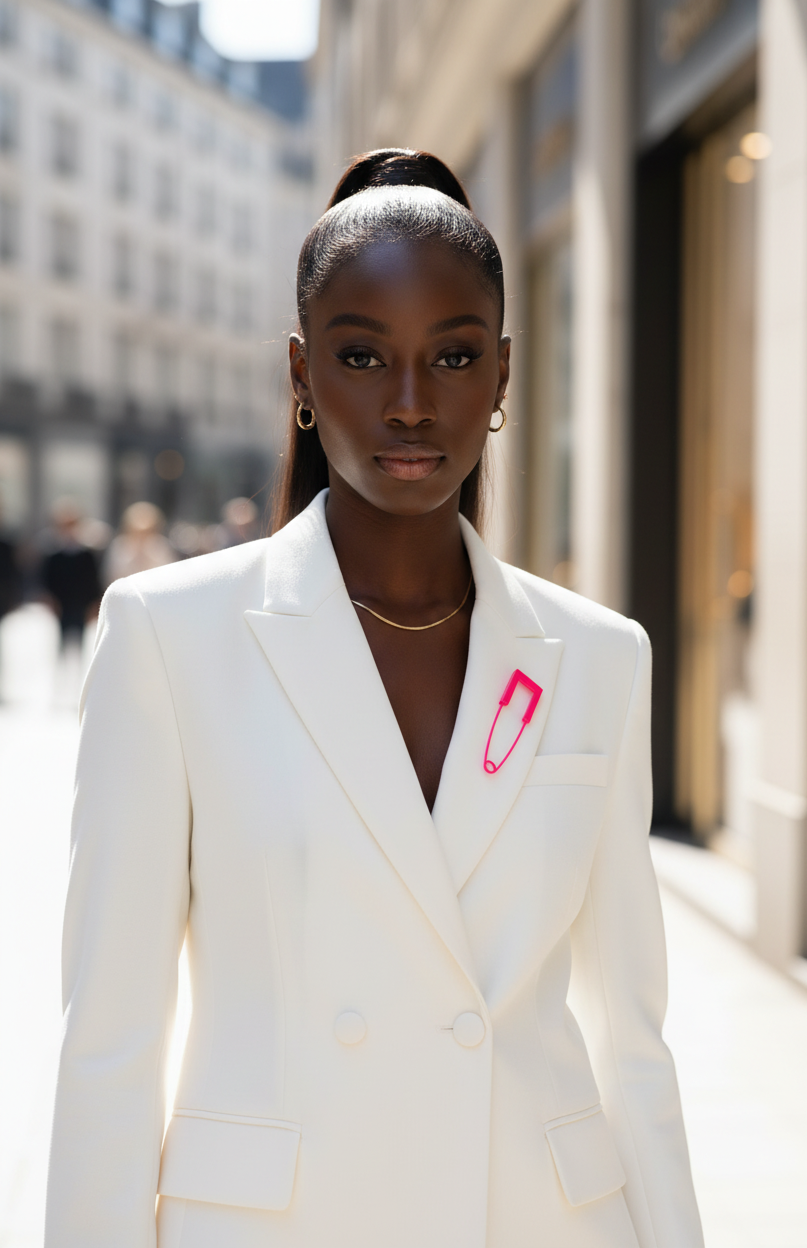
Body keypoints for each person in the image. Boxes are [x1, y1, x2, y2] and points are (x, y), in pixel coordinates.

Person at [45, 150, 703, 1248]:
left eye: (451, 357)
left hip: (536, 1220)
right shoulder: (171, 639)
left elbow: (634, 1042)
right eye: (362, 356)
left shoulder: (598, 658)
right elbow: (109, 1042)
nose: (409, 404)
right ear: (302, 376)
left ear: (500, 378)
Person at [40, 498, 101, 648]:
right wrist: (50, 599)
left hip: (81, 602)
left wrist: (94, 602)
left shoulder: (87, 553)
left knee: (81, 640)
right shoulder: (53, 553)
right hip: (62, 602)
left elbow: (93, 578)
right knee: (61, 640)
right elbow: (47, 578)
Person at [103, 501, 176, 585]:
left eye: (147, 532)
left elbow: (169, 575)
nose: (142, 537)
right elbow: (111, 576)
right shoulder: (119, 545)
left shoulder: (161, 546)